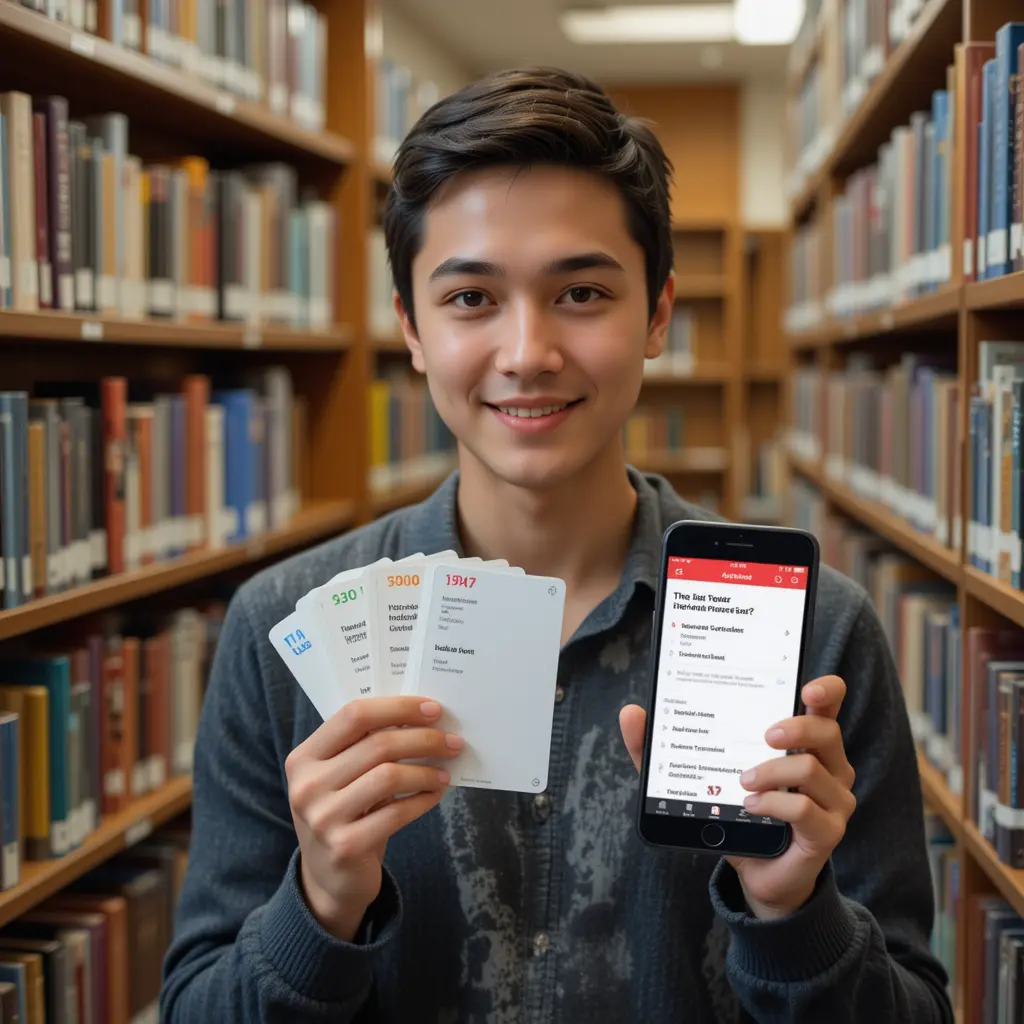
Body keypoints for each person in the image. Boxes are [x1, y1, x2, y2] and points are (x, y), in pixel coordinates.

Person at [160, 67, 955, 1023]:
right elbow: (198, 1004)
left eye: (581, 292)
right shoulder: (278, 629)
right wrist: (321, 905)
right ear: (410, 328)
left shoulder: (817, 630)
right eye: (470, 300)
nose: (528, 351)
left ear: (657, 314)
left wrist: (790, 911)